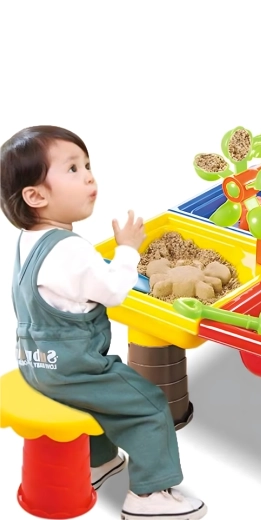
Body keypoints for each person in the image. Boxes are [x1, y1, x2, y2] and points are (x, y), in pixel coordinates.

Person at [0, 125, 207, 520]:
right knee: (148, 404)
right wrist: (128, 250)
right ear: (36, 196)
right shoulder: (70, 250)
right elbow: (113, 292)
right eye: (72, 169)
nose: (89, 177)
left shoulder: (29, 242)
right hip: (75, 368)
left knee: (100, 399)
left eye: (87, 165)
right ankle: (148, 495)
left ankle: (99, 461)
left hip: (37, 363)